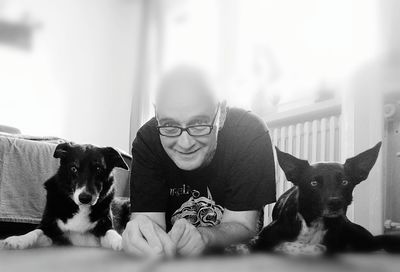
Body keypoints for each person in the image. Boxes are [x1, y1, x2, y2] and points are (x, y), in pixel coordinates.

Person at [122, 66, 276, 257]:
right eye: (169, 125)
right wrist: (141, 237)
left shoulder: (249, 132)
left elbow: (244, 225)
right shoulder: (147, 140)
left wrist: (204, 237)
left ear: (221, 113)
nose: (185, 144)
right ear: (156, 114)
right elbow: (148, 223)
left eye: (199, 123)